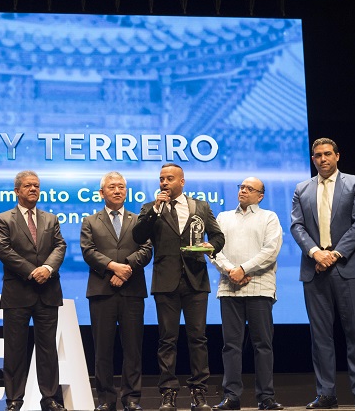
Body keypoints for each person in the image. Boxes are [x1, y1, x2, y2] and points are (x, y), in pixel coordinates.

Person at [290, 138, 355, 409]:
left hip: (348, 267)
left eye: (328, 154)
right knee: (320, 335)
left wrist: (334, 254)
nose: (323, 159)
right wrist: (316, 253)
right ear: (313, 159)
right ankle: (326, 393)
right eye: (318, 155)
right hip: (315, 269)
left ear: (338, 156)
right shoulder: (302, 189)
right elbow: (297, 226)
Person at [133, 163, 225, 411]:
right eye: (161, 179)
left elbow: (218, 237)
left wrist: (210, 246)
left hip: (196, 280)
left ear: (181, 182)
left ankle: (199, 392)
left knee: (198, 338)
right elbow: (138, 237)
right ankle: (168, 392)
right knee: (167, 340)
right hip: (166, 281)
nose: (164, 182)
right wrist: (154, 210)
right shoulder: (150, 208)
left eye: (169, 178)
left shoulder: (200, 206)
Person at [0, 170, 68, 411]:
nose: (33, 189)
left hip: (47, 291)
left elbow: (60, 246)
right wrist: (32, 270)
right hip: (18, 292)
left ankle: (50, 399)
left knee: (48, 350)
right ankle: (14, 400)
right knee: (15, 350)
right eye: (28, 186)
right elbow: (4, 250)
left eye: (36, 185)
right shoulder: (4, 219)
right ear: (17, 190)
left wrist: (47, 268)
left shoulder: (50, 218)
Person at [80, 172, 153, 411]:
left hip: (132, 291)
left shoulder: (138, 220)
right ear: (102, 193)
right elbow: (88, 251)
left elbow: (147, 248)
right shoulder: (90, 221)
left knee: (133, 348)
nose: (117, 190)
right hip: (102, 291)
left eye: (121, 186)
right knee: (103, 349)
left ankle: (132, 398)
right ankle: (106, 400)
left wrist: (127, 268)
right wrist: (113, 267)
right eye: (112, 187)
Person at [210, 177, 284, 411]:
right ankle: (231, 396)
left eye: (249, 189)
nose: (243, 191)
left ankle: (266, 397)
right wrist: (231, 270)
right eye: (241, 187)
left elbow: (271, 250)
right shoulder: (223, 217)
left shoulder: (269, 217)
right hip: (229, 289)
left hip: (260, 287)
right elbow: (214, 249)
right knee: (231, 346)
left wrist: (244, 269)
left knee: (262, 344)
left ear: (260, 195)